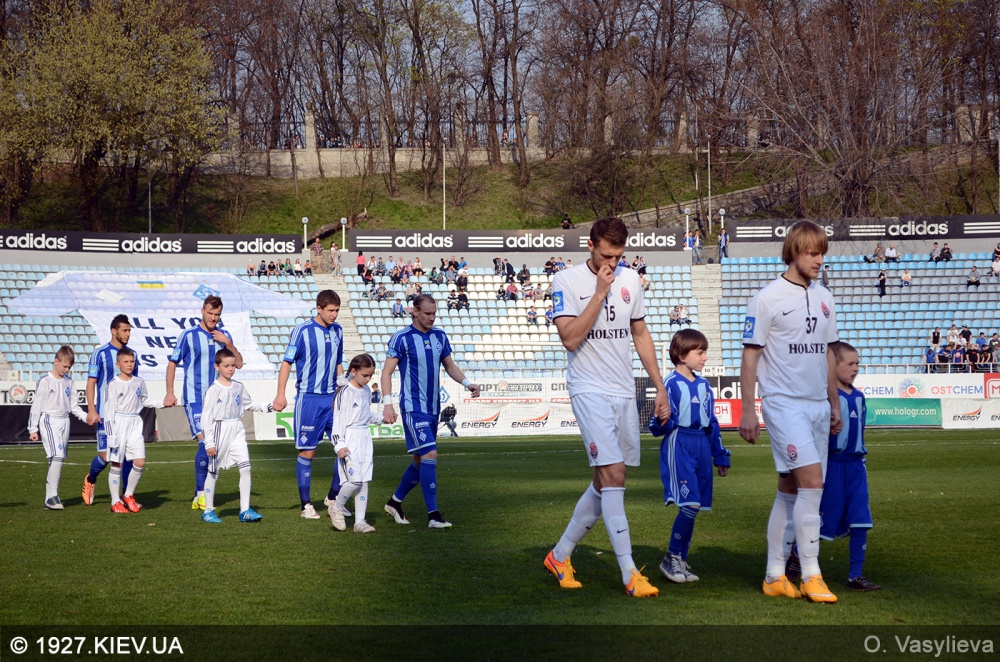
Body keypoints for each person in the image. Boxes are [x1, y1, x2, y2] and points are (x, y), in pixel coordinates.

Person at [542, 216, 669, 598]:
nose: (612, 263)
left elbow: (640, 333)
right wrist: (599, 292)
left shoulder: (631, 280)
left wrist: (659, 386)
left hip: (623, 390)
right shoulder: (566, 281)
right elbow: (569, 338)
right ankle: (629, 573)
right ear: (590, 246)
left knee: (606, 481)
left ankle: (559, 556)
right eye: (606, 255)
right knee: (614, 474)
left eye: (618, 256)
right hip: (588, 388)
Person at [739, 219, 842, 604]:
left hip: (817, 406)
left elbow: (829, 353)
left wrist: (834, 403)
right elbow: (750, 357)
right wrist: (748, 411)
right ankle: (812, 574)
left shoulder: (825, 297)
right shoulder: (766, 299)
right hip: (783, 404)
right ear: (795, 252)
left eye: (822, 253)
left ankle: (774, 576)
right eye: (813, 253)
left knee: (790, 489)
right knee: (813, 485)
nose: (819, 260)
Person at [381, 294, 481, 529]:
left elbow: (449, 366)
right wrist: (387, 404)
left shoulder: (439, 336)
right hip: (413, 407)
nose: (432, 318)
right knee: (430, 455)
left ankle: (394, 503)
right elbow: (386, 372)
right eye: (427, 313)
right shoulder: (402, 338)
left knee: (419, 460)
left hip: (433, 408)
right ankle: (433, 516)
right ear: (414, 311)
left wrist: (468, 383)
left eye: (434, 313)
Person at [792, 342, 879, 591]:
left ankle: (856, 576)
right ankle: (797, 556)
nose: (855, 368)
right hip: (832, 466)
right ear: (832, 366)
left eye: (857, 364)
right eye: (849, 364)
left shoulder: (859, 397)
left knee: (861, 521)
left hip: (856, 467)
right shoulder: (824, 398)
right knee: (823, 523)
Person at [648, 329, 731, 584]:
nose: (705, 357)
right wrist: (661, 421)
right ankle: (671, 556)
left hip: (701, 445)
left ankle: (680, 560)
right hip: (680, 443)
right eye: (700, 352)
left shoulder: (704, 386)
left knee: (695, 507)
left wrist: (720, 455)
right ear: (682, 355)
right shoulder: (670, 384)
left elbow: (712, 423)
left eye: (705, 352)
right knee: (690, 504)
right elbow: (656, 425)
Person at [271, 290, 346, 520]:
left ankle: (333, 498)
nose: (334, 315)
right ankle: (306, 506)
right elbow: (287, 362)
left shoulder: (338, 330)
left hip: (332, 399)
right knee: (308, 451)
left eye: (337, 310)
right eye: (331, 310)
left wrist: (343, 392)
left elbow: (339, 363)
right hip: (309, 398)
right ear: (319, 308)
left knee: (346, 448)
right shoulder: (302, 331)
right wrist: (280, 394)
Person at [165, 296, 244, 511]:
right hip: (195, 398)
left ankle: (199, 494)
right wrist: (170, 392)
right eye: (210, 313)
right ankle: (200, 494)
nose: (213, 318)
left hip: (217, 401)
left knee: (213, 447)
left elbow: (238, 363)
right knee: (205, 443)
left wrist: (228, 343)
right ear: (202, 311)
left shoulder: (223, 336)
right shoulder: (188, 335)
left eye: (217, 314)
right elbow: (172, 363)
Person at [104, 347, 166, 514]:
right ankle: (115, 501)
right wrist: (111, 435)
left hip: (135, 423)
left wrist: (163, 403)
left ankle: (128, 495)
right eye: (126, 362)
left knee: (139, 461)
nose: (129, 364)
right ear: (118, 364)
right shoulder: (113, 384)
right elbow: (108, 411)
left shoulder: (139, 382)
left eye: (132, 361)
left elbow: (144, 401)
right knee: (117, 463)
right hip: (118, 423)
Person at [82, 314, 135, 506]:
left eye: (129, 331)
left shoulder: (131, 355)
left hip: (126, 416)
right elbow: (91, 383)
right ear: (114, 331)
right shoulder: (100, 353)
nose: (127, 334)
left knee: (128, 456)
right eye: (124, 330)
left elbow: (133, 384)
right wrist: (91, 410)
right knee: (105, 457)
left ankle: (127, 496)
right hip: (105, 415)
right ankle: (90, 479)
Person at [29, 346, 90, 510]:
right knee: (57, 455)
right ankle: (52, 496)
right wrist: (33, 428)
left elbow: (74, 406)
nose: (67, 369)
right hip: (49, 419)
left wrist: (86, 417)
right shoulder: (45, 381)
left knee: (56, 459)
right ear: (56, 361)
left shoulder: (69, 381)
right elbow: (37, 405)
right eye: (64, 366)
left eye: (69, 367)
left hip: (65, 421)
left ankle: (49, 499)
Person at [328, 354, 382, 533]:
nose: (368, 379)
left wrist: (382, 418)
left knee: (364, 480)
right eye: (365, 375)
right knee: (355, 480)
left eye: (370, 376)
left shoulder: (366, 391)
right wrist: (339, 444)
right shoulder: (345, 391)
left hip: (365, 437)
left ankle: (360, 522)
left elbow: (365, 416)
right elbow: (338, 419)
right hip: (349, 439)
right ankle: (336, 507)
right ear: (353, 371)